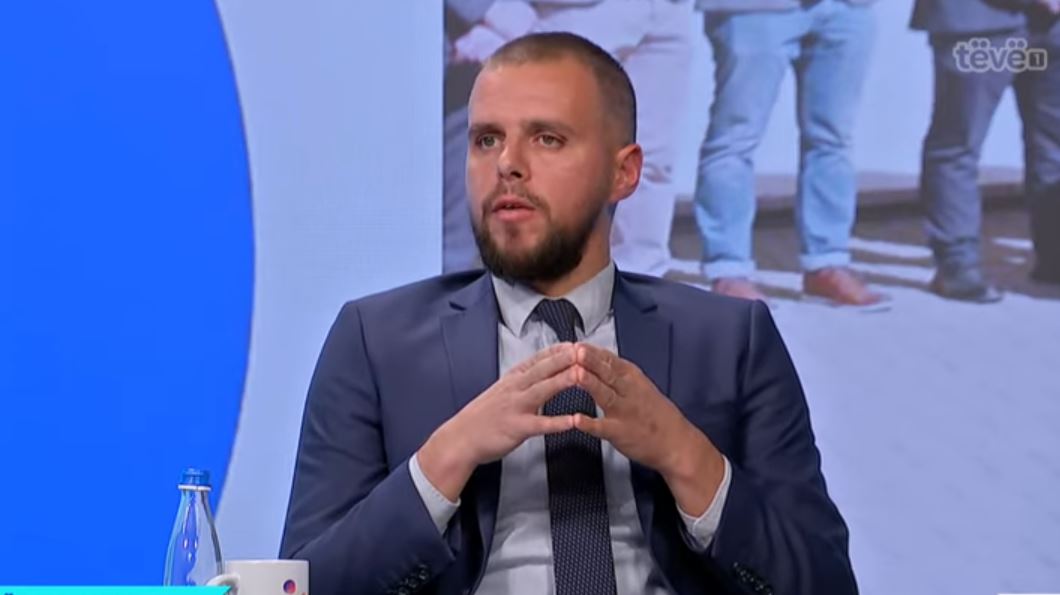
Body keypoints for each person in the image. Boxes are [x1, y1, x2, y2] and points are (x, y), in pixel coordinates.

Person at [280, 32, 857, 595]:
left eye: (547, 139)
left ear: (624, 172)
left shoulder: (730, 340)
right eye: (486, 140)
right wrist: (447, 456)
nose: (508, 164)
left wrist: (685, 455)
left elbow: (825, 582)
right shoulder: (376, 342)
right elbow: (302, 585)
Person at [443, 0, 696, 277]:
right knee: (541, 155)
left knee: (648, 164)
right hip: (565, 11)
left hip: (666, 10)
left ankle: (637, 283)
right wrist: (488, 8)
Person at [692, 0, 884, 307]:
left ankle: (827, 263)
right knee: (735, 139)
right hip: (754, 9)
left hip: (846, 8)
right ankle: (728, 270)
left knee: (833, 139)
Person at [912, 0, 1060, 302]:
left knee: (1053, 143)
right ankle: (957, 263)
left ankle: (1054, 255)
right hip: (978, 21)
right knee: (958, 143)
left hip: (1050, 28)